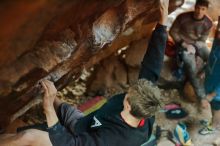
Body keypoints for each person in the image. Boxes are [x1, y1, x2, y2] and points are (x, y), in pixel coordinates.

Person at [0, 0, 169, 146]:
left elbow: (70, 143)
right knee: (54, 99)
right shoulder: (145, 102)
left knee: (29, 136)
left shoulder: (116, 139)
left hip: (76, 141)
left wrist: (47, 108)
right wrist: (162, 22)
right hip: (85, 125)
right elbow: (152, 65)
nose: (127, 91)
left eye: (128, 94)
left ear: (128, 105)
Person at [169, 0, 213, 101]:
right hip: (182, 44)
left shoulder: (208, 23)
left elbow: (203, 39)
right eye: (198, 8)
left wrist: (195, 47)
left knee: (211, 58)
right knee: (191, 64)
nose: (199, 11)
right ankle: (201, 96)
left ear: (206, 10)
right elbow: (173, 32)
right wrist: (183, 44)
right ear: (194, 7)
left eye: (203, 9)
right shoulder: (183, 17)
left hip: (198, 44)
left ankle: (204, 75)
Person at [199, 22, 220, 135]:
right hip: (211, 81)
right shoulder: (217, 42)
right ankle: (214, 121)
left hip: (217, 91)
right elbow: (212, 58)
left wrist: (210, 96)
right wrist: (205, 71)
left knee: (216, 108)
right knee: (214, 107)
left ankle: (214, 126)